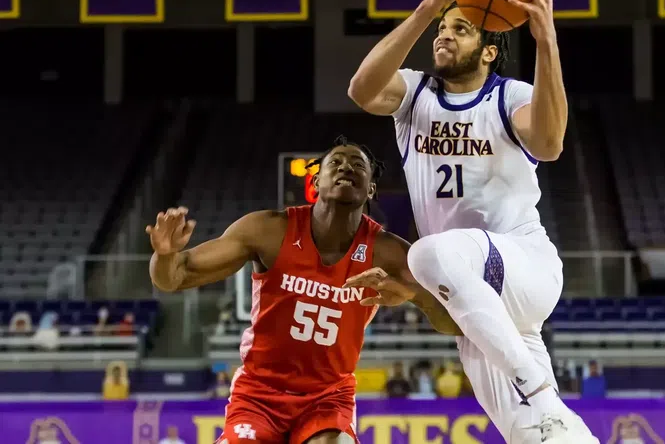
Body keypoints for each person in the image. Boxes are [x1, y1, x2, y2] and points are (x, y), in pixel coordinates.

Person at [346, 0, 598, 444]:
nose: (444, 35)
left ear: (489, 50)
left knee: (425, 254)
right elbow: (361, 90)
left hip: (524, 266)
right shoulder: (414, 93)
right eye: (443, 28)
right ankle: (549, 413)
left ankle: (543, 395)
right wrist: (426, 8)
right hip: (477, 301)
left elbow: (549, 144)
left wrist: (546, 38)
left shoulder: (509, 97)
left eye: (459, 29)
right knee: (536, 435)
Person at [146, 137, 458, 444]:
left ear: (371, 188)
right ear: (316, 181)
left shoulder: (387, 252)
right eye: (334, 162)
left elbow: (453, 322)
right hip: (259, 394)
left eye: (357, 164)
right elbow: (174, 277)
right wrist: (164, 254)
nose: (345, 167)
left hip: (327, 398)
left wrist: (413, 295)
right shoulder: (269, 230)